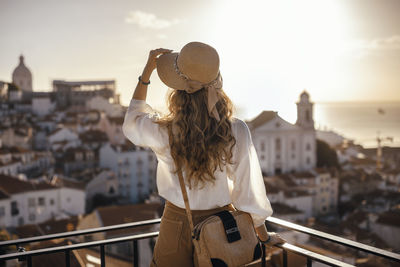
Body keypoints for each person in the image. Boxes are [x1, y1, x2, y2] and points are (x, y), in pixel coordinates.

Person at [122, 42, 285, 267]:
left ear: (178, 91)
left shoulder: (164, 130)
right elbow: (247, 192)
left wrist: (147, 73)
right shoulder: (236, 130)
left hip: (176, 224)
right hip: (222, 226)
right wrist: (264, 236)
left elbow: (131, 123)